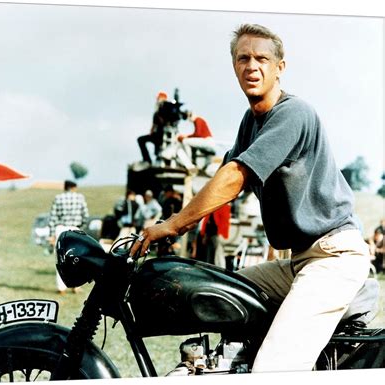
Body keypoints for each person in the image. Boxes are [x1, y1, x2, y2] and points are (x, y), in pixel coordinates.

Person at [131, 23, 371, 373]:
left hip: (334, 257)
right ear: (234, 66)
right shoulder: (251, 121)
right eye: (243, 58)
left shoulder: (294, 113)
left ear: (280, 68)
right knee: (218, 292)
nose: (251, 66)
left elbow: (235, 176)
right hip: (299, 261)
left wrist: (173, 225)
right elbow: (226, 172)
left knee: (274, 368)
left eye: (262, 58)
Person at [48, 180, 89, 294]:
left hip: (61, 229)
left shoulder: (58, 198)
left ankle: (61, 288)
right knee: (77, 259)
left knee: (61, 259)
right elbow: (85, 216)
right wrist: (81, 227)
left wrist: (52, 234)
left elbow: (53, 218)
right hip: (75, 229)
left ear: (65, 187)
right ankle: (75, 286)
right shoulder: (80, 197)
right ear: (74, 187)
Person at [137, 91, 168, 166]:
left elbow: (163, 123)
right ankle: (147, 160)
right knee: (141, 140)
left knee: (143, 141)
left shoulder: (165, 110)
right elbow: (154, 124)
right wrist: (151, 131)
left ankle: (152, 161)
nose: (157, 100)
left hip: (161, 135)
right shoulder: (157, 112)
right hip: (156, 134)